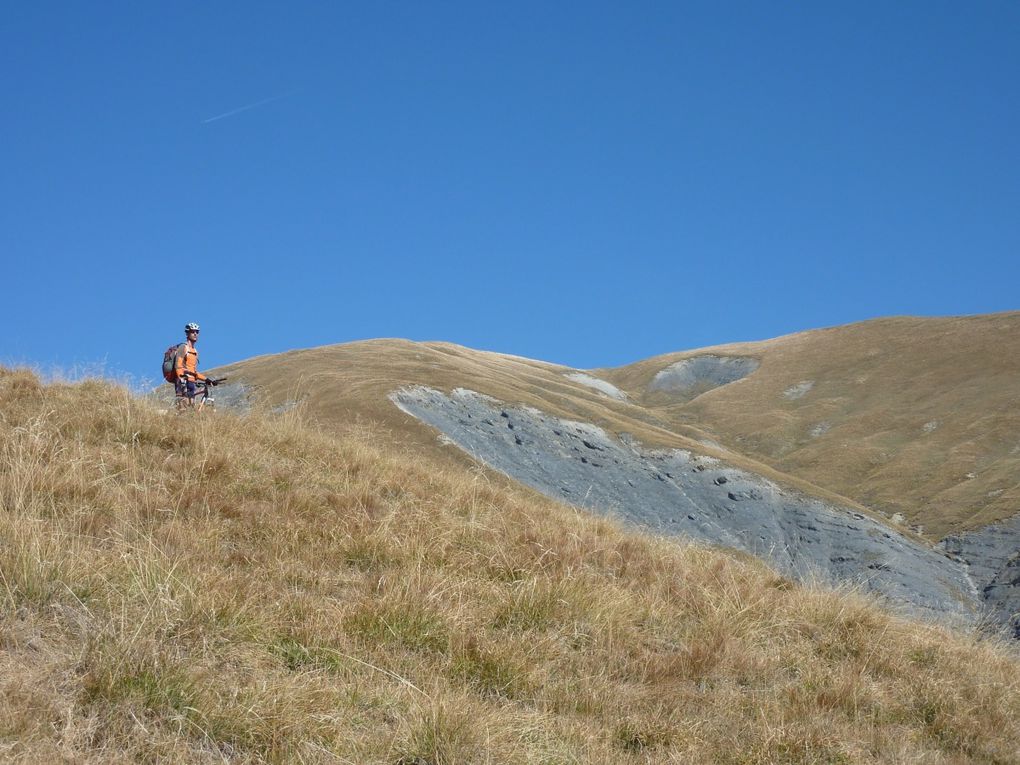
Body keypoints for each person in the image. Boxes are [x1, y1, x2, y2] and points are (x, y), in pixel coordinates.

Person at [174, 322, 216, 405]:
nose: (195, 334)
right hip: (183, 381)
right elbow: (178, 366)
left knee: (191, 407)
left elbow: (194, 371)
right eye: (193, 332)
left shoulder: (195, 351)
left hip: (191, 382)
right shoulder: (183, 347)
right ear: (187, 333)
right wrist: (182, 380)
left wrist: (207, 380)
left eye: (197, 332)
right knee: (183, 407)